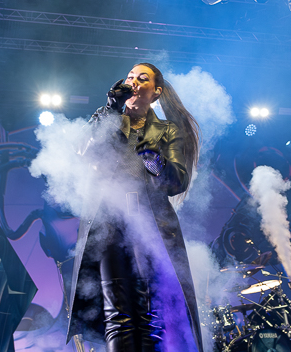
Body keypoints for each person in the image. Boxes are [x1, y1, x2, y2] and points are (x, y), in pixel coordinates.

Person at [66, 63, 203, 352]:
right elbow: (81, 152)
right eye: (130, 77)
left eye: (143, 79)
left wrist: (154, 160)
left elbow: (177, 182)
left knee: (150, 310)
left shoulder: (167, 130)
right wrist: (110, 109)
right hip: (108, 222)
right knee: (117, 313)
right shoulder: (106, 118)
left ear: (156, 92)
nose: (134, 82)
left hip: (148, 223)